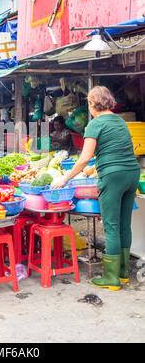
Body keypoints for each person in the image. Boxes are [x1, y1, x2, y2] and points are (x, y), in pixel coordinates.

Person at [52, 86, 140, 291]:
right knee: (124, 224)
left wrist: (65, 178)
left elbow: (84, 158)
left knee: (110, 225)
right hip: (132, 173)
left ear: (92, 105)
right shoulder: (120, 121)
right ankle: (123, 273)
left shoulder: (95, 124)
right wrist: (97, 165)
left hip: (113, 177)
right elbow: (117, 149)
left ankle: (110, 278)